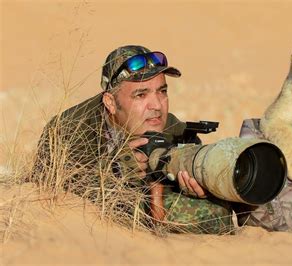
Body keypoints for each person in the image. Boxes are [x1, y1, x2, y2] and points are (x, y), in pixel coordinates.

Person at [32, 45, 233, 234]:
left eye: (162, 91)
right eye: (140, 95)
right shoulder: (69, 130)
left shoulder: (171, 127)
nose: (156, 105)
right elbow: (50, 196)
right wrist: (116, 169)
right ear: (110, 102)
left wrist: (198, 187)